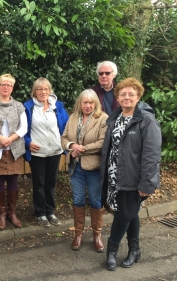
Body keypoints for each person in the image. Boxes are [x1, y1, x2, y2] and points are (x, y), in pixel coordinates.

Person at [101, 78, 161, 271]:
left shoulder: (146, 120)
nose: (126, 97)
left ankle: (111, 250)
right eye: (123, 94)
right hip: (114, 176)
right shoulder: (115, 117)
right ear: (117, 97)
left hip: (133, 179)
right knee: (131, 213)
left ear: (138, 97)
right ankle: (135, 249)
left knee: (123, 214)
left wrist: (146, 184)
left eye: (131, 94)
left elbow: (151, 156)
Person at [61, 89, 108, 252]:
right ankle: (78, 234)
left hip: (94, 168)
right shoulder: (73, 118)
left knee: (95, 201)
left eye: (91, 102)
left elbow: (103, 142)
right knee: (78, 200)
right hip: (76, 167)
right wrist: (71, 146)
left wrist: (81, 149)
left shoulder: (103, 119)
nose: (88, 106)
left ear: (96, 103)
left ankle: (97, 235)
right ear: (80, 103)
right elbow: (64, 138)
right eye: (85, 102)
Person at [24, 78, 69, 227]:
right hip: (38, 153)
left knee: (51, 183)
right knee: (39, 184)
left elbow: (66, 126)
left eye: (46, 89)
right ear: (34, 91)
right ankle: (40, 213)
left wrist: (64, 144)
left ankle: (50, 211)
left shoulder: (58, 107)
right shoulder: (28, 108)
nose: (43, 92)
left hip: (55, 151)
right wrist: (28, 143)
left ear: (50, 90)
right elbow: (21, 130)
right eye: (39, 89)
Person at [0, 74, 27, 230]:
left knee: (14, 182)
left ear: (12, 88)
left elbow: (24, 128)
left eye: (9, 85)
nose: (6, 87)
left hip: (14, 149)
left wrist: (10, 139)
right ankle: (1, 214)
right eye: (3, 84)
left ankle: (12, 213)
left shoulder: (19, 106)